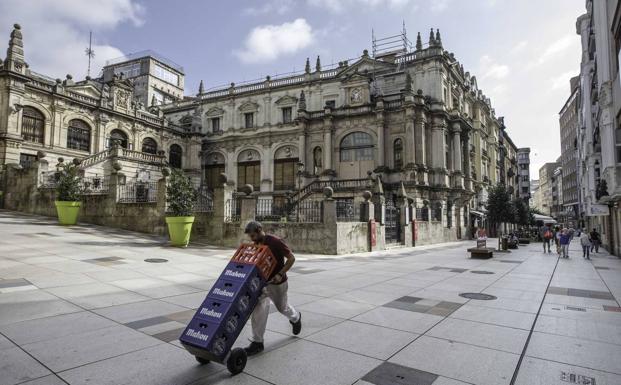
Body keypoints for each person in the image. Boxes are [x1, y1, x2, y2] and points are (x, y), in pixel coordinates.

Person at [243, 221, 302, 356]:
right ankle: (257, 342)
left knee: (282, 307)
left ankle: (296, 318)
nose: (252, 239)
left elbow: (291, 258)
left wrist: (280, 274)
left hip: (278, 283)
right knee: (259, 308)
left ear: (259, 230)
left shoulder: (275, 241)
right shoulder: (256, 244)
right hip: (263, 283)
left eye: (253, 236)